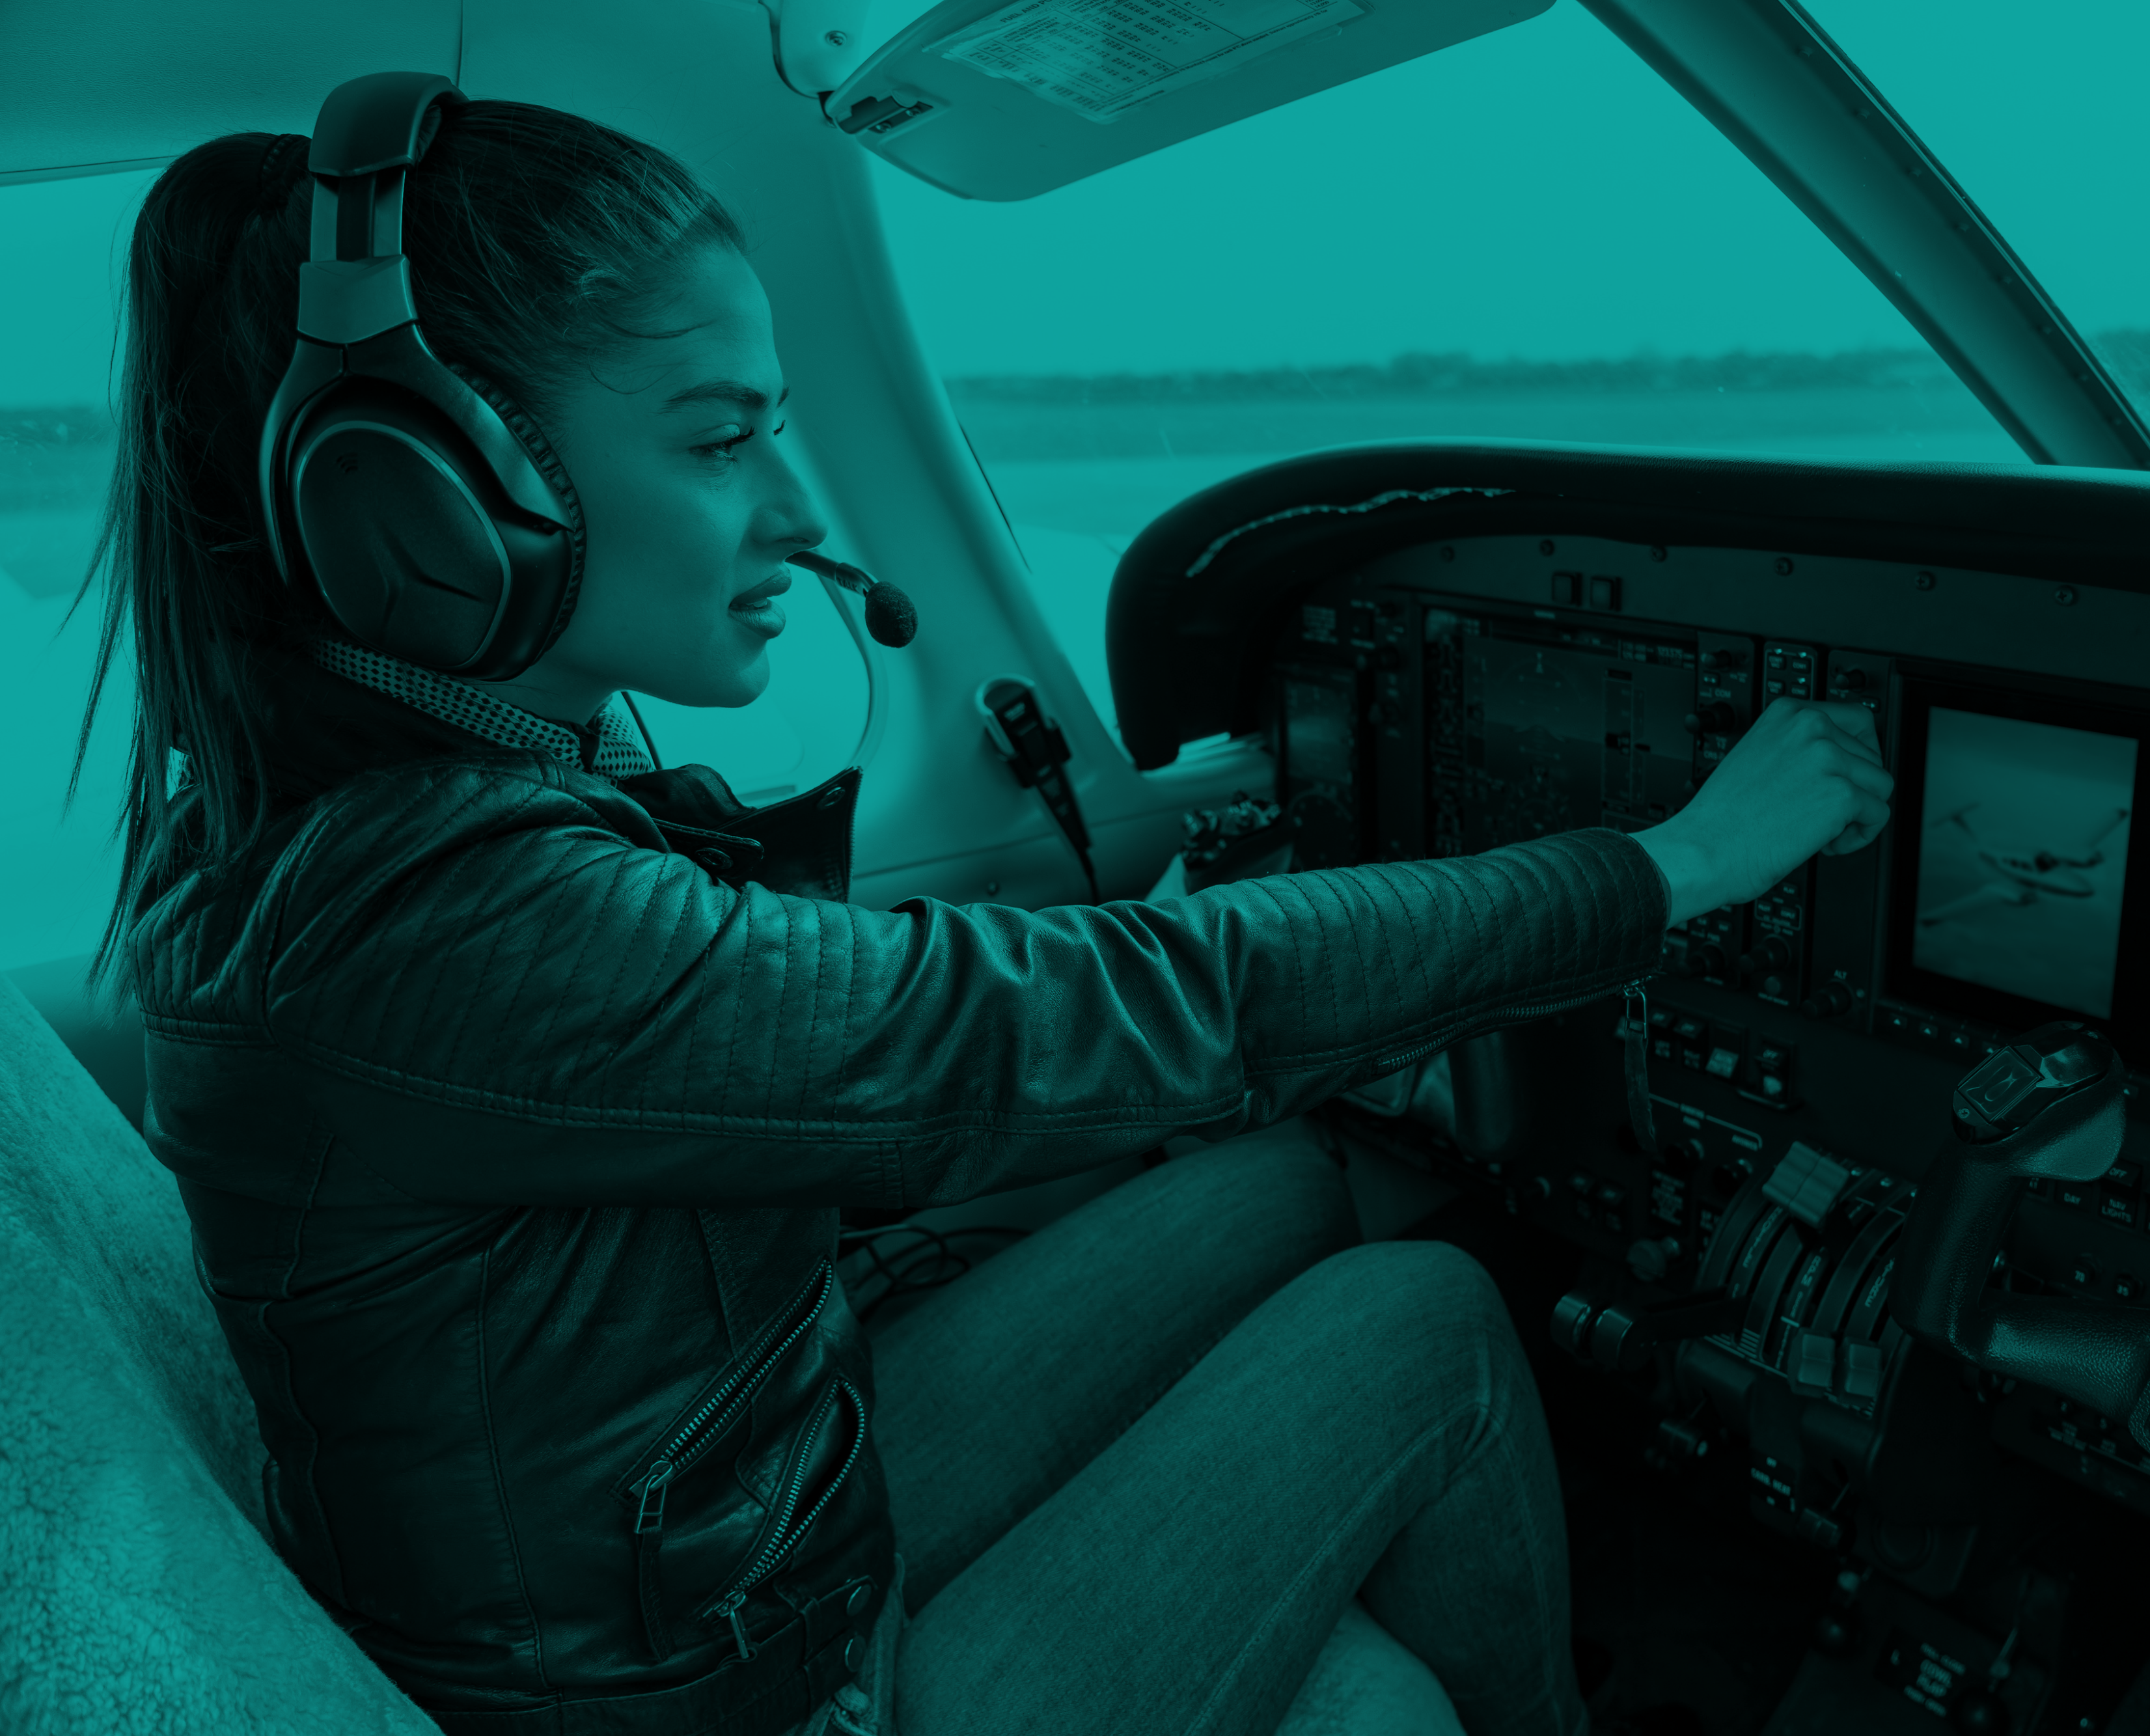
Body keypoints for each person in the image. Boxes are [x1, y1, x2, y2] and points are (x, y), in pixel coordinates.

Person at [70, 100, 1892, 1736]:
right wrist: (1677, 866)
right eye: (718, 444)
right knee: (1418, 1313)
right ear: (436, 501)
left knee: (1277, 1180)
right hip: (736, 1692)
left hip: (713, 1535)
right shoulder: (441, 914)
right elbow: (1072, 1009)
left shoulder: (354, 810)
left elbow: (738, 1046)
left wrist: (1168, 842)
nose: (796, 516)